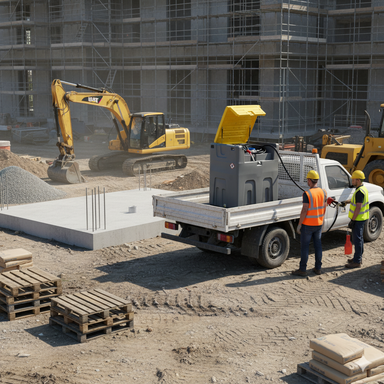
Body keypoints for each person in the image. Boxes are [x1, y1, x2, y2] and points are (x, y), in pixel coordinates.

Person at [292, 170, 327, 277]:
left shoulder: (307, 194)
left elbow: (304, 209)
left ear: (309, 180)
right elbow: (324, 207)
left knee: (305, 247)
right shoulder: (324, 192)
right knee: (318, 246)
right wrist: (321, 219)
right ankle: (318, 268)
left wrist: (299, 224)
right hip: (318, 224)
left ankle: (302, 269)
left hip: (307, 225)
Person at [340, 170, 369, 269]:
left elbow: (358, 207)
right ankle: (358, 258)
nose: (352, 181)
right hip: (361, 218)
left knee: (357, 240)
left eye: (353, 179)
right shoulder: (362, 189)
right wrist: (346, 202)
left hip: (358, 219)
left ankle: (357, 261)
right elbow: (356, 201)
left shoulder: (359, 192)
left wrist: (352, 220)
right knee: (358, 239)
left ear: (358, 180)